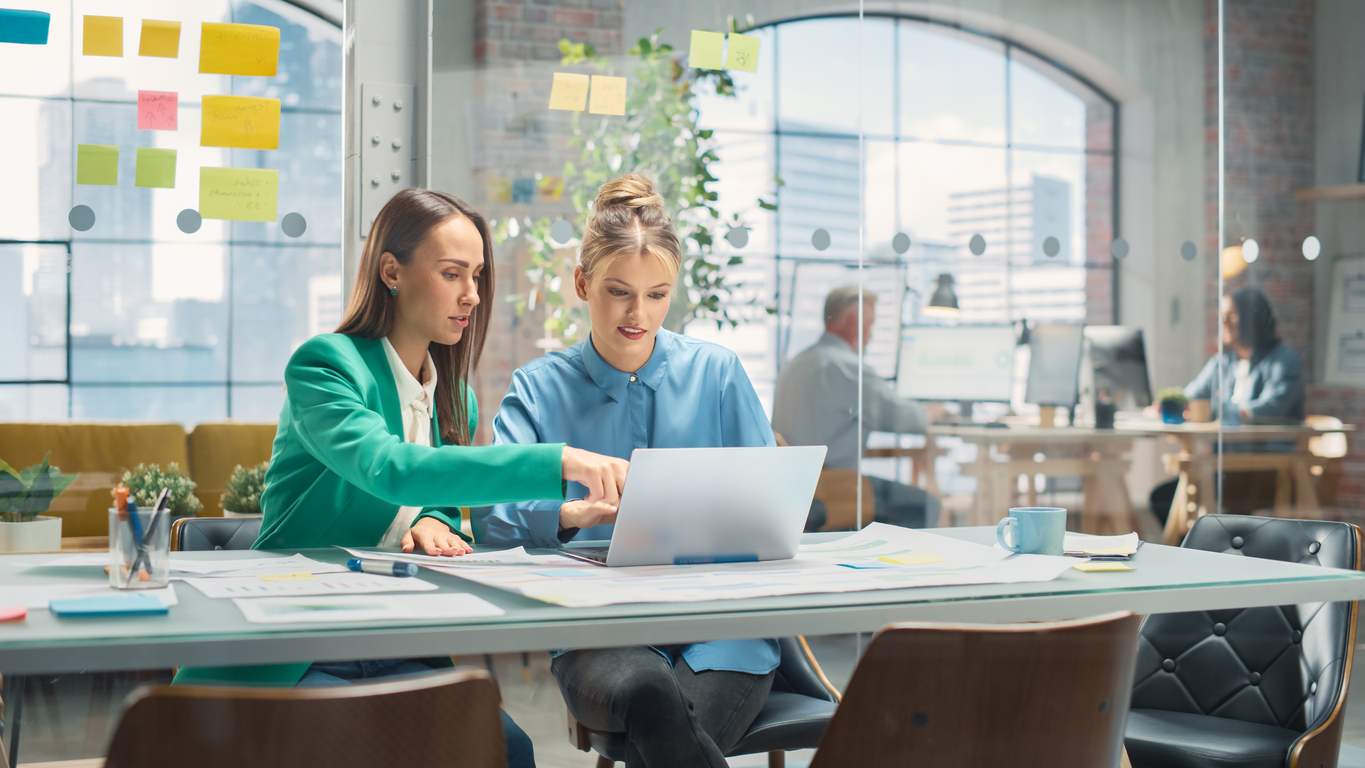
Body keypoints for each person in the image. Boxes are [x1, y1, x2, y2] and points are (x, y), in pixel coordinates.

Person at [172, 188, 630, 768]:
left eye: (478, 276)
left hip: (390, 640)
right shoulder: (325, 366)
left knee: (508, 747)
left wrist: (434, 519)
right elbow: (390, 470)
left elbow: (429, 496)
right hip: (298, 649)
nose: (472, 295)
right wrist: (558, 461)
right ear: (392, 271)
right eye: (452, 273)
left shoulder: (452, 395)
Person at [485, 174, 777, 768]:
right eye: (619, 292)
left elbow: (772, 511)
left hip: (724, 628)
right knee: (651, 697)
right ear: (581, 282)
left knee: (661, 737)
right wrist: (564, 515)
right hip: (600, 633)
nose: (638, 314)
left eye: (657, 294)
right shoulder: (537, 390)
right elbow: (492, 523)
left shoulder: (719, 375)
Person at [772, 286, 941, 530]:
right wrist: (934, 411)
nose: (870, 336)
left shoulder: (795, 364)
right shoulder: (846, 367)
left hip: (793, 487)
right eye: (870, 325)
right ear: (854, 323)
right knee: (925, 506)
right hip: (833, 489)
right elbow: (902, 418)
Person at [1149, 286, 1305, 524]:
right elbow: (1189, 395)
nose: (1222, 320)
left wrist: (1216, 410)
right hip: (1224, 468)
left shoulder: (1284, 361)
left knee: (1183, 500)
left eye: (1231, 315)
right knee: (1162, 499)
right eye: (1222, 314)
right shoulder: (1221, 363)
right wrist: (1167, 403)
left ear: (1253, 319)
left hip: (1265, 472)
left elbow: (1271, 409)